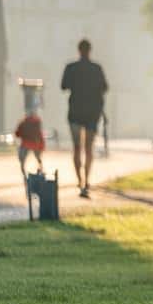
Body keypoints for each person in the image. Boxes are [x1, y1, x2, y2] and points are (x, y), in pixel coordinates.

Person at [61, 39, 107, 199]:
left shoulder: (71, 68)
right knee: (88, 147)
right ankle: (86, 180)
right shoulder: (96, 69)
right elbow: (104, 89)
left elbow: (63, 86)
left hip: (75, 113)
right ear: (90, 50)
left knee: (76, 147)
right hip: (92, 114)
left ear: (79, 50)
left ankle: (79, 180)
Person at [14, 109, 46, 178]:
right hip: (36, 143)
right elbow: (39, 134)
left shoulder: (23, 122)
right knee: (38, 158)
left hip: (26, 143)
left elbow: (17, 133)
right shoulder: (37, 122)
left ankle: (23, 171)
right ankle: (40, 169)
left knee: (22, 159)